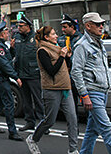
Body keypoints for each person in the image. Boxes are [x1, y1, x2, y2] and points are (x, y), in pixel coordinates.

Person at [70, 12, 111, 154]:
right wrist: (84, 95)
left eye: (102, 24)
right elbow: (76, 72)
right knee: (107, 129)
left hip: (103, 91)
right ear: (88, 26)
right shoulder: (82, 45)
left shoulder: (99, 42)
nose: (101, 27)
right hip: (93, 92)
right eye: (98, 24)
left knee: (92, 130)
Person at [26, 25, 79, 154]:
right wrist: (61, 56)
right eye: (53, 34)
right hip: (52, 89)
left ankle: (73, 149)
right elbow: (51, 71)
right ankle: (33, 139)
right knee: (49, 121)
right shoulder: (42, 51)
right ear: (46, 37)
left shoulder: (57, 48)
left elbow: (66, 68)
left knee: (72, 119)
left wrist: (67, 57)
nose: (56, 36)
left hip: (66, 88)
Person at [0, 20, 24, 141]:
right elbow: (4, 64)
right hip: (0, 78)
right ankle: (12, 132)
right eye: (7, 33)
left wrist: (12, 49)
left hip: (2, 77)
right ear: (2, 34)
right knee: (9, 103)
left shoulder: (1, 44)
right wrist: (16, 77)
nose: (8, 35)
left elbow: (8, 58)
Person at [12, 14, 43, 132]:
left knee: (38, 99)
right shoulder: (17, 38)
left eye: (21, 26)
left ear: (28, 26)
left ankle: (42, 122)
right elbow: (14, 54)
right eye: (18, 26)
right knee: (26, 100)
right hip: (22, 74)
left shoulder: (36, 38)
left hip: (34, 73)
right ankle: (29, 122)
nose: (19, 28)